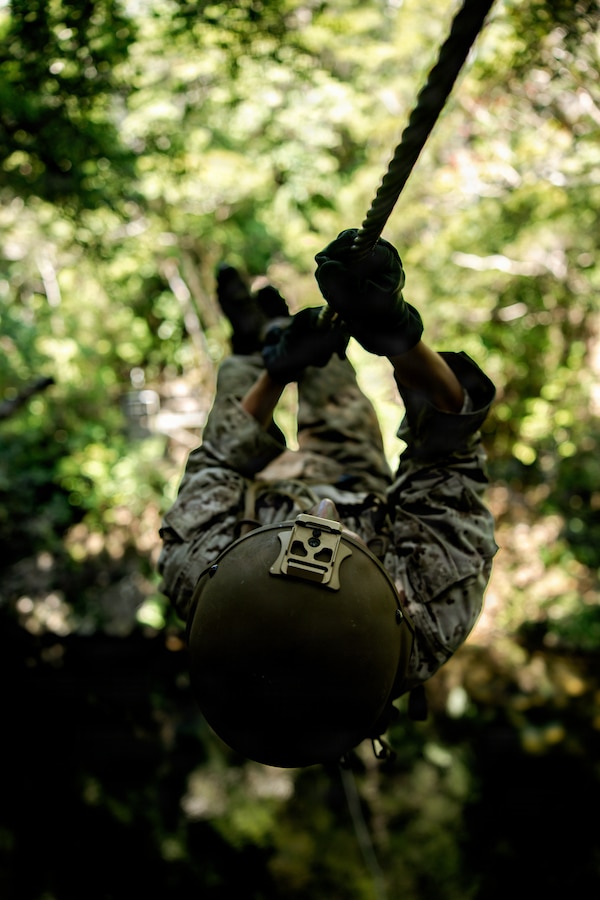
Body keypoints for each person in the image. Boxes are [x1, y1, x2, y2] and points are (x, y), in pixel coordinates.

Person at [158, 229, 497, 768]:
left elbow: (221, 455)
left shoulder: (198, 573)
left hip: (262, 491)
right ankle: (272, 329)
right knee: (332, 376)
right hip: (355, 472)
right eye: (341, 548)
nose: (322, 516)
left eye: (307, 536)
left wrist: (277, 373)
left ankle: (255, 341)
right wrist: (396, 335)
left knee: (243, 382)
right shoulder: (430, 608)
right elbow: (448, 449)